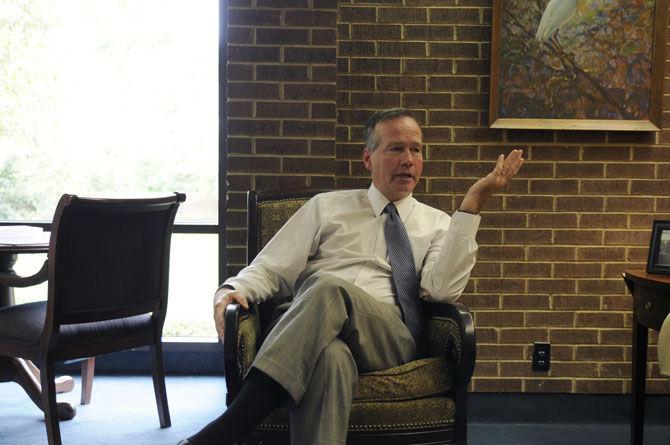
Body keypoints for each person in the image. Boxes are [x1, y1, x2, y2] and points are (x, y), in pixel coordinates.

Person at [179, 108, 524, 445]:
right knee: (330, 358)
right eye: (395, 148)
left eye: (416, 149)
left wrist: (472, 203)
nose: (408, 159)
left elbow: (442, 290)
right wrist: (229, 290)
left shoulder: (437, 224)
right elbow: (271, 267)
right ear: (368, 159)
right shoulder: (326, 207)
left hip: (387, 337)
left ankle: (228, 430)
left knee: (328, 287)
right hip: (308, 325)